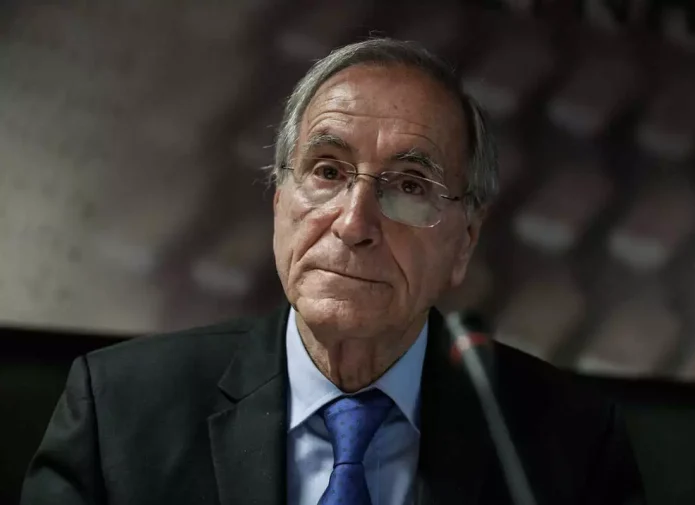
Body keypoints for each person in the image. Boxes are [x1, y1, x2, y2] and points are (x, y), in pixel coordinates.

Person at [21, 38, 645, 505]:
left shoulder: (570, 445)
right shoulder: (119, 412)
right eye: (326, 171)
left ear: (464, 243)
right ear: (279, 204)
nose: (353, 223)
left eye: (409, 185)